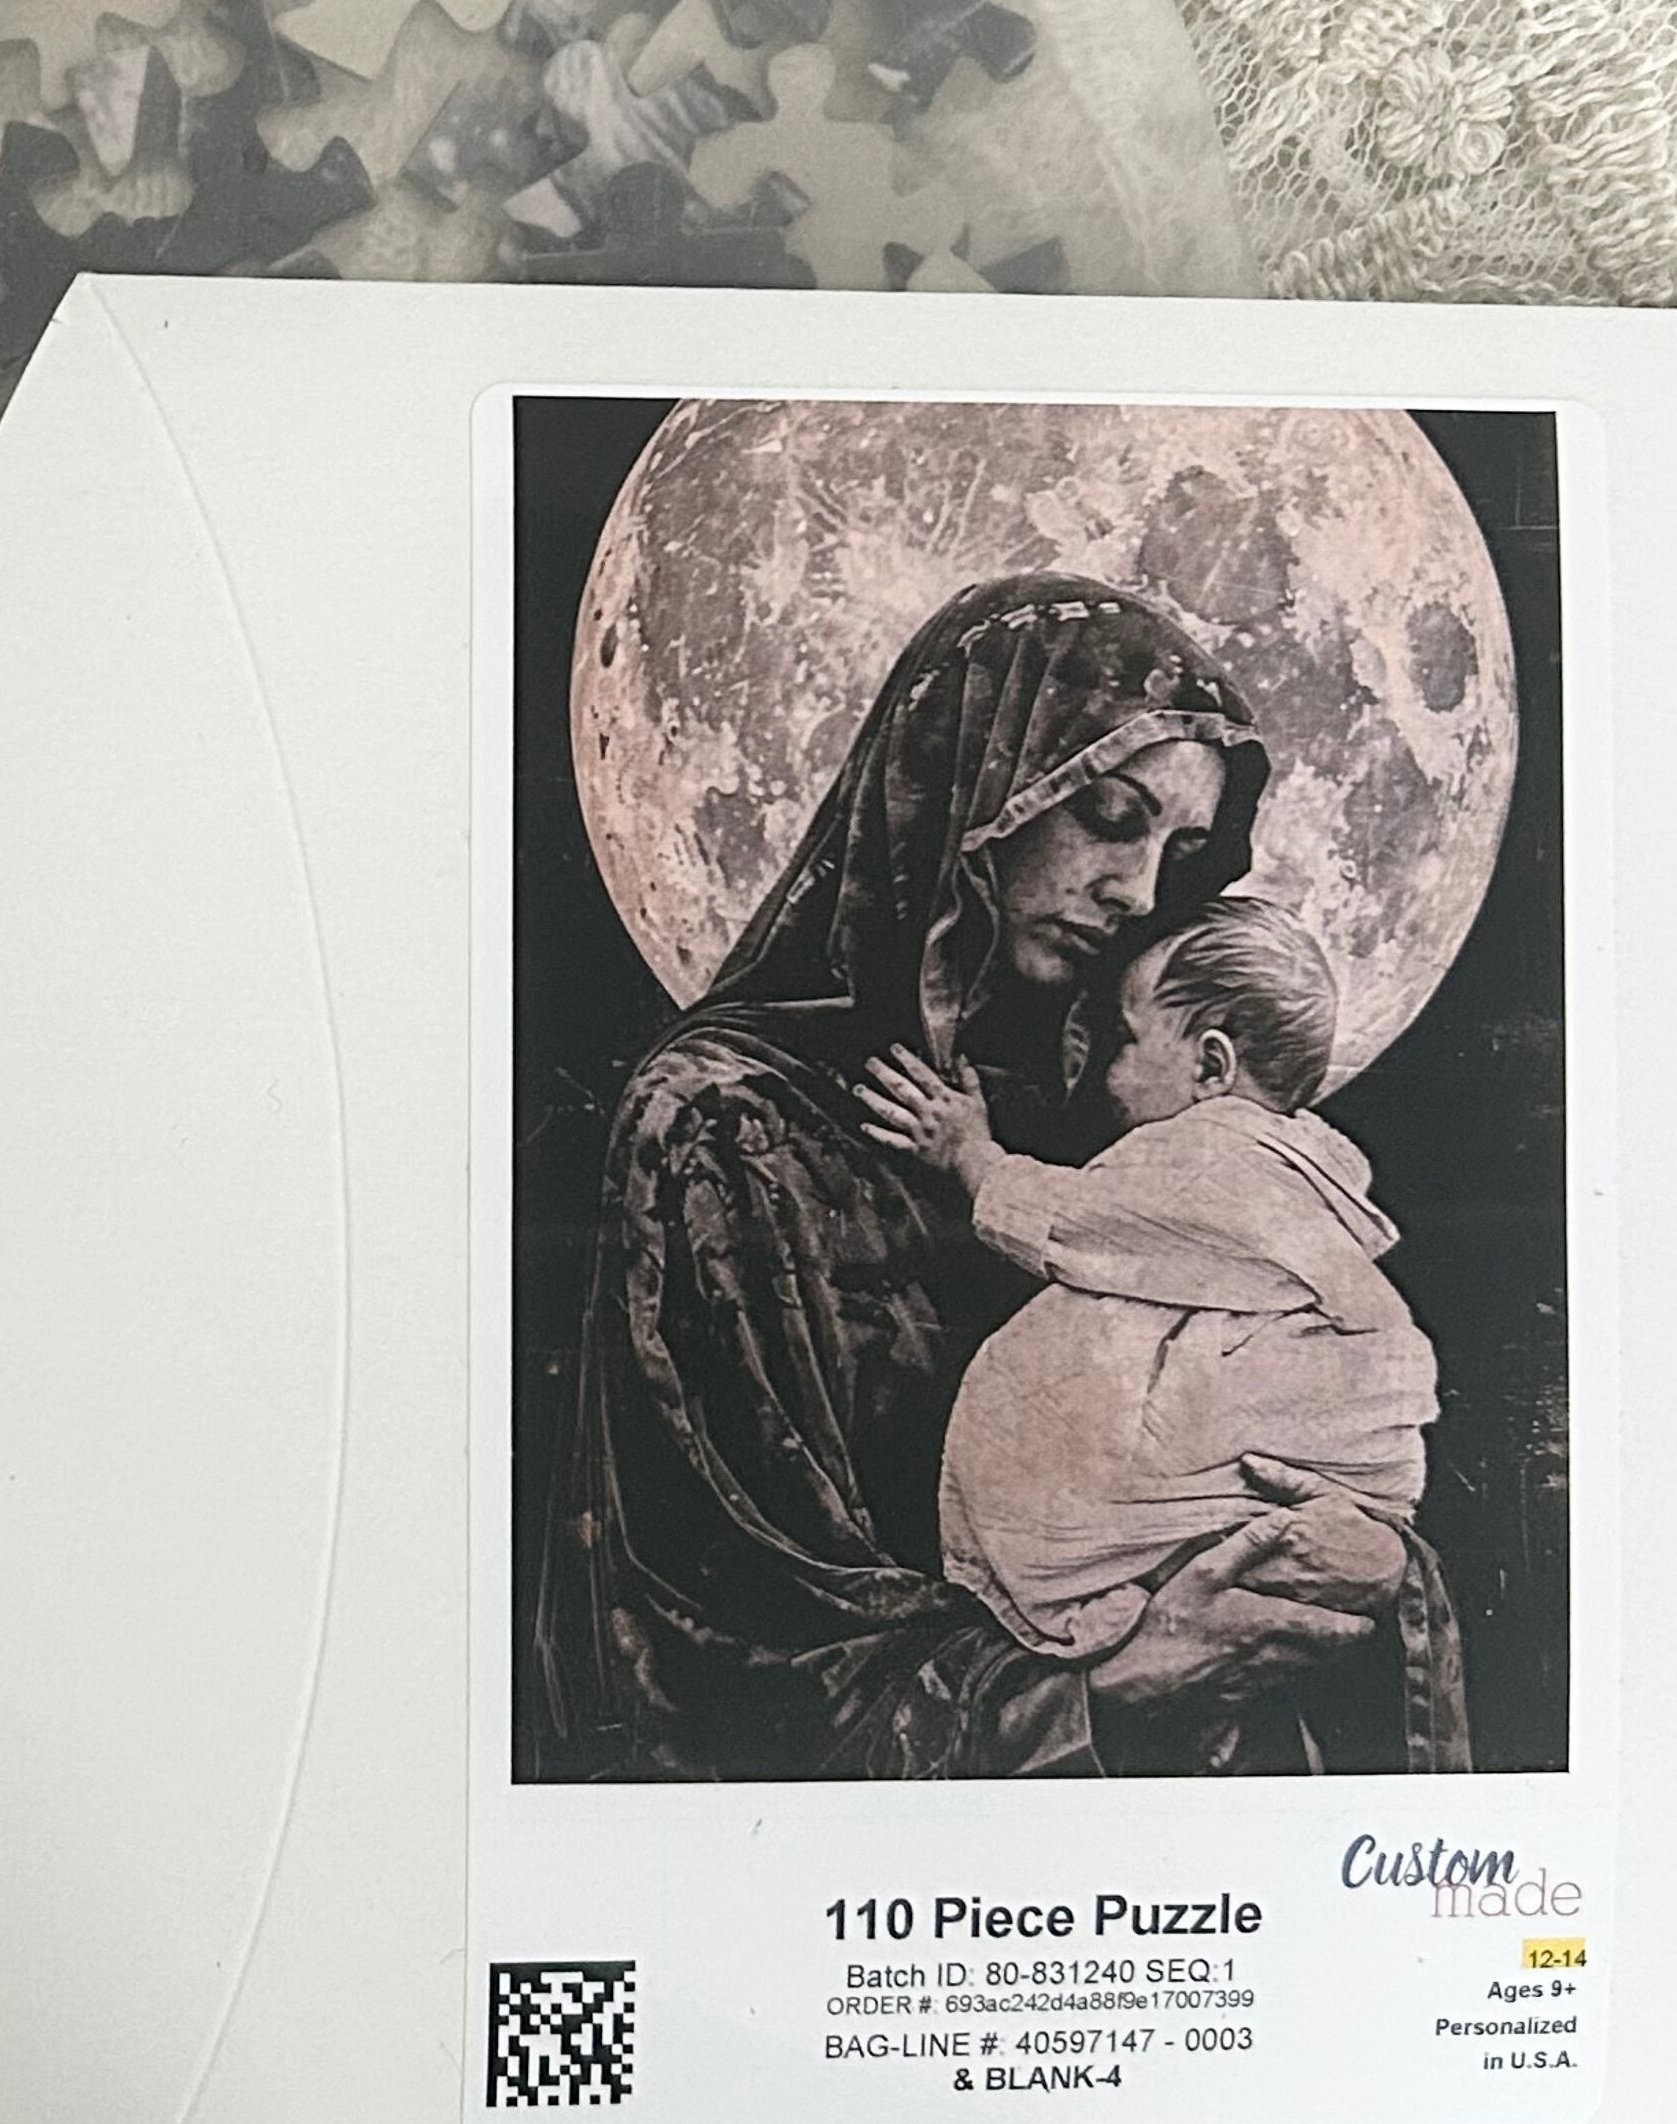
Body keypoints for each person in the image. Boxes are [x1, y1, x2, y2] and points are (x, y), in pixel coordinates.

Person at [526, 573, 1416, 1783]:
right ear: (972, 790)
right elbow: (709, 1636)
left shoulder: (1128, 1126)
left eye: (1182, 852)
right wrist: (1104, 1690)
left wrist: (1346, 1563)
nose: (1140, 892)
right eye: (1110, 817)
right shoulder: (721, 1126)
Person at [855, 897, 1440, 1676]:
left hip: (1300, 1450)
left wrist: (970, 1152)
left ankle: (1095, 1595)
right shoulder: (1311, 1164)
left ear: (1211, 1067)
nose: (1108, 1067)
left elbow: (1076, 1220)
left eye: (1128, 1039)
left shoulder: (1213, 1153)